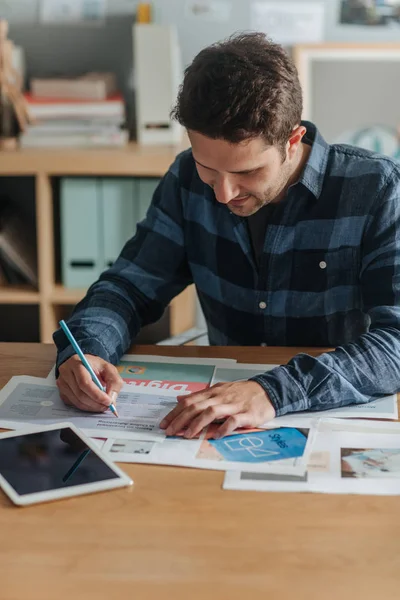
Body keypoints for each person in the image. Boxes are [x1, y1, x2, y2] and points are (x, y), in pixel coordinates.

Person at [54, 32, 400, 440]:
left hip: (333, 413)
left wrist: (271, 392)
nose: (223, 193)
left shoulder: (377, 189)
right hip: (218, 421)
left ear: (292, 140)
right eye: (208, 168)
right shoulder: (186, 178)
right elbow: (128, 287)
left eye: (247, 172)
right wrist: (89, 348)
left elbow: (395, 342)